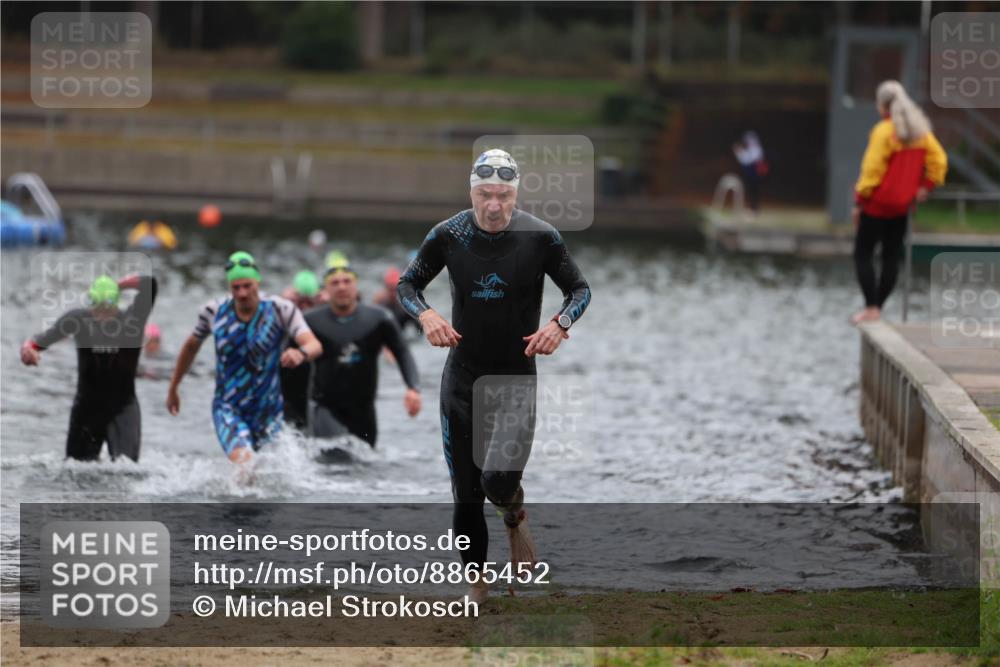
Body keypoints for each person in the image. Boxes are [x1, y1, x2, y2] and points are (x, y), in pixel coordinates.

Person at [397, 148, 591, 602]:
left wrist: (559, 325)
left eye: (503, 195)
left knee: (498, 482)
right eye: (485, 195)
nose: (494, 206)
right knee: (466, 495)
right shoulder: (449, 234)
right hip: (461, 379)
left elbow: (579, 289)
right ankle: (478, 587)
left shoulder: (540, 237)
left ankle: (515, 513)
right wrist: (425, 316)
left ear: (515, 194)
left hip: (514, 381)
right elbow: (406, 285)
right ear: (472, 192)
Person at [166, 252, 322, 465]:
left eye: (248, 286)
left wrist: (300, 353)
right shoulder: (214, 311)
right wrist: (174, 387)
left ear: (258, 281)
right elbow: (191, 346)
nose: (242, 293)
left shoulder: (280, 309)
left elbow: (315, 345)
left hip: (269, 412)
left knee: (272, 475)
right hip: (228, 408)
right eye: (236, 287)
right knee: (246, 464)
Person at [20, 274, 158, 461]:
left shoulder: (133, 319)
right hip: (86, 409)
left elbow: (150, 284)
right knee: (75, 470)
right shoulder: (78, 320)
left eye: (106, 309)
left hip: (123, 408)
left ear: (115, 305)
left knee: (127, 471)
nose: (100, 315)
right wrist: (28, 350)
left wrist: (118, 285)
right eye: (96, 309)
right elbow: (40, 340)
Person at [851, 80, 947, 324]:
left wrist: (859, 201)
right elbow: (939, 161)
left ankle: (871, 307)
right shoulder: (921, 133)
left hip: (877, 206)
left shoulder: (883, 132)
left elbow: (871, 170)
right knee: (891, 257)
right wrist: (925, 187)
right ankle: (878, 307)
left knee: (862, 253)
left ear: (883, 105)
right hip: (902, 207)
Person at [307, 262, 421, 450]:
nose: (342, 286)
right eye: (335, 283)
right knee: (336, 459)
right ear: (326, 289)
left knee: (364, 468)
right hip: (325, 409)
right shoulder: (311, 321)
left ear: (355, 285)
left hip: (364, 412)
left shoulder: (379, 319)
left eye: (346, 281)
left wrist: (413, 388)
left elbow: (402, 352)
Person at [280, 270, 324, 429]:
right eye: (300, 302)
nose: (305, 309)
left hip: (315, 397)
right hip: (288, 397)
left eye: (309, 303)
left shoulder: (325, 317)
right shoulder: (283, 315)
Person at [732, 131, 767, 215]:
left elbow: (751, 160)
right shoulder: (748, 149)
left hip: (754, 172)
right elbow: (743, 161)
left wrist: (739, 151)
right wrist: (738, 151)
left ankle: (755, 208)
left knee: (754, 190)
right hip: (749, 172)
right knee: (749, 190)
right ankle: (751, 207)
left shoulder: (756, 149)